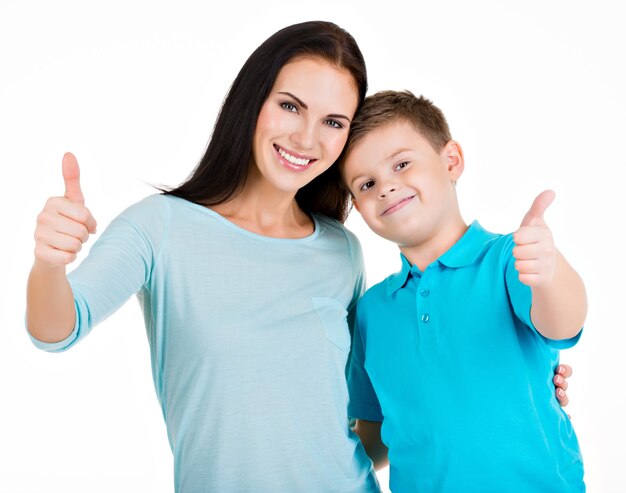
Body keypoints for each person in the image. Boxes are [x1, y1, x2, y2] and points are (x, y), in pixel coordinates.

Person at [25, 21, 572, 493]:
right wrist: (50, 262)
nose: (307, 136)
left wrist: (506, 386)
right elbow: (57, 329)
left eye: (333, 122)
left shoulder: (341, 250)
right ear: (252, 103)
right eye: (290, 106)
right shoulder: (160, 228)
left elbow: (362, 415)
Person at [341, 90, 586, 492]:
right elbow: (375, 431)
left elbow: (563, 324)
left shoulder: (509, 258)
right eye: (367, 183)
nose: (385, 187)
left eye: (402, 164)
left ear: (451, 161)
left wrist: (549, 270)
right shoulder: (371, 311)